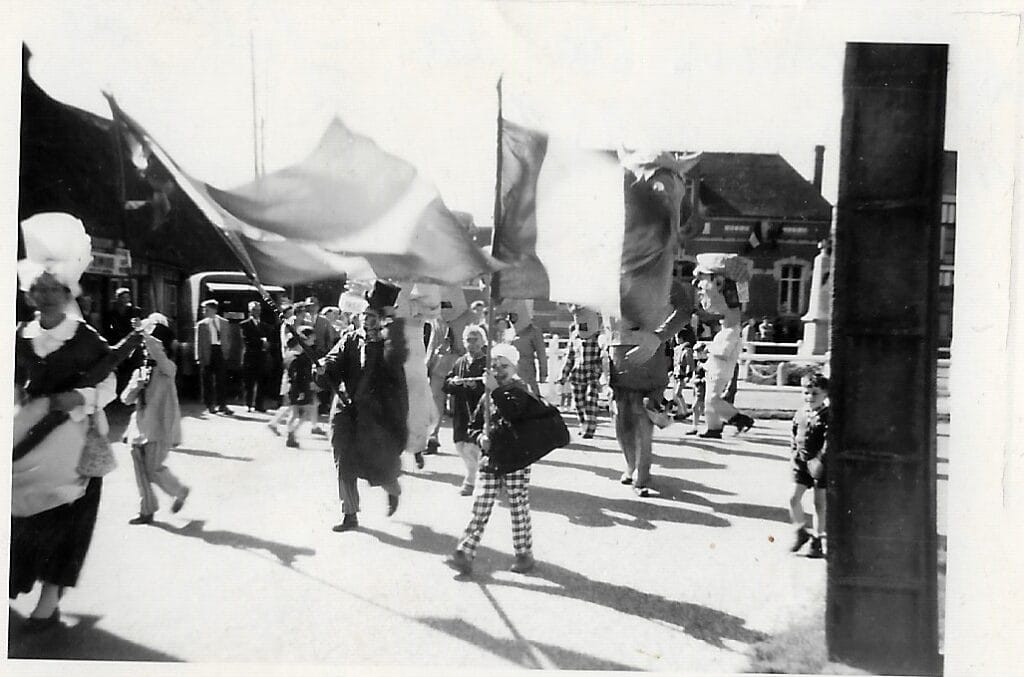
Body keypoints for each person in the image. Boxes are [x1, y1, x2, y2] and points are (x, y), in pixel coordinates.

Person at [11, 213, 137, 632]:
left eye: (55, 288)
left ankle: (49, 600)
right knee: (16, 518)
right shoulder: (18, 335)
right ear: (30, 293)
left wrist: (80, 396)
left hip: (75, 444)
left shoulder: (87, 340)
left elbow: (110, 386)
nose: (47, 295)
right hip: (22, 441)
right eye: (39, 288)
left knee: (64, 521)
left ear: (68, 292)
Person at [319, 281, 408, 532]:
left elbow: (398, 374)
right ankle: (349, 513)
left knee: (377, 462)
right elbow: (333, 361)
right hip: (345, 408)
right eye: (364, 316)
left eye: (372, 317)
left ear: (382, 320)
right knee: (343, 458)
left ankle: (391, 485)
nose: (366, 321)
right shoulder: (350, 339)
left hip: (375, 414)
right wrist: (324, 367)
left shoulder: (391, 346)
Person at [445, 343, 537, 576]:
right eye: (494, 365)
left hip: (516, 457)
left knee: (517, 506)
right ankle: (465, 552)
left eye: (504, 365)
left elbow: (515, 415)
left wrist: (495, 390)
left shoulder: (521, 390)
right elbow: (474, 425)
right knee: (481, 504)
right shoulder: (488, 394)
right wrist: (479, 438)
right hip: (491, 458)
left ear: (514, 367)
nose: (498, 369)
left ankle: (524, 553)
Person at [120, 313, 190, 524]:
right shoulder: (140, 371)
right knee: (140, 472)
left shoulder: (167, 368)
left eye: (147, 346)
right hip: (138, 427)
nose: (145, 351)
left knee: (153, 469)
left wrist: (143, 332)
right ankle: (147, 509)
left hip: (158, 427)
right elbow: (125, 399)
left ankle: (179, 491)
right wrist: (136, 386)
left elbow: (157, 351)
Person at [693, 257, 755, 438]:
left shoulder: (731, 332)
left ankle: (739, 419)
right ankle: (713, 427)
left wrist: (708, 350)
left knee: (713, 399)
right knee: (708, 401)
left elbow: (723, 352)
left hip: (720, 372)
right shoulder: (727, 330)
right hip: (715, 370)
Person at [788, 372, 830, 558]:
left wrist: (819, 461)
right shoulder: (801, 412)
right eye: (806, 392)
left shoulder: (827, 416)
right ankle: (800, 531)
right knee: (793, 498)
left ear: (825, 395)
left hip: (820, 464)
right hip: (801, 461)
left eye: (815, 393)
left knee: (819, 503)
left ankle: (817, 539)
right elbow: (794, 433)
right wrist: (793, 453)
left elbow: (829, 443)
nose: (810, 397)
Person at [443, 325, 488, 495]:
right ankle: (475, 475)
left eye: (475, 340)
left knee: (474, 446)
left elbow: (493, 386)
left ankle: (471, 480)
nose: (471, 344)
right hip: (461, 410)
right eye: (468, 340)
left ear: (482, 341)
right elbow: (446, 385)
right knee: (461, 446)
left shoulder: (487, 362)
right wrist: (454, 382)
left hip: (479, 410)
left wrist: (477, 385)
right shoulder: (460, 362)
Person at [558, 306, 603, 439]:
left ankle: (590, 428)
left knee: (591, 400)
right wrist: (563, 375)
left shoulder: (599, 338)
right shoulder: (575, 337)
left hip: (592, 373)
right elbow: (570, 357)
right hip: (577, 373)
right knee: (579, 402)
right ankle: (583, 424)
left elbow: (604, 357)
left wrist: (603, 374)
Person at [194, 299, 234, 416]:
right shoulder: (201, 324)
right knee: (208, 380)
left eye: (206, 309)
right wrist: (198, 357)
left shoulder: (224, 322)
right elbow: (198, 341)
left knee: (221, 379)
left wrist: (227, 350)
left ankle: (222, 404)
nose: (204, 311)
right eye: (203, 309)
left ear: (213, 310)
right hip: (208, 351)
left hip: (220, 351)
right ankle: (210, 404)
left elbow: (228, 337)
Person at [104, 286, 145, 394]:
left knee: (134, 368)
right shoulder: (111, 314)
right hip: (117, 343)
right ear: (117, 299)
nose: (125, 300)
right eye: (123, 298)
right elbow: (107, 330)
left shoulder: (135, 312)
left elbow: (139, 326)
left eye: (127, 297)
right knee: (118, 369)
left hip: (132, 343)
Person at [425, 324, 458, 454]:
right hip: (439, 366)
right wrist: (428, 363)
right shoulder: (438, 320)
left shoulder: (468, 316)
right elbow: (433, 343)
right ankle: (432, 437)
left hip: (459, 364)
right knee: (435, 400)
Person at [284, 326, 317, 449]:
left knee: (294, 413)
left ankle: (291, 433)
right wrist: (302, 391)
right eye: (312, 339)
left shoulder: (290, 354)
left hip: (292, 387)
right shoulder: (301, 357)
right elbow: (299, 376)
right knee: (303, 414)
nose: (313, 341)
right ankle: (291, 433)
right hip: (300, 388)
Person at [239, 300, 273, 412]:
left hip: (262, 357)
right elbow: (247, 340)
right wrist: (261, 342)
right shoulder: (244, 324)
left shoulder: (265, 325)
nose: (256, 312)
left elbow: (270, 339)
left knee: (261, 381)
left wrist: (267, 344)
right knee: (249, 382)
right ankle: (248, 403)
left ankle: (259, 405)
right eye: (254, 310)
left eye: (258, 310)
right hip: (250, 356)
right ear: (249, 311)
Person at [510, 305, 548, 398]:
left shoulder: (534, 331)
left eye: (515, 315)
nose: (513, 318)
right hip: (510, 370)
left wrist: (543, 373)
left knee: (530, 397)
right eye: (511, 315)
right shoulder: (507, 330)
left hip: (527, 370)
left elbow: (541, 354)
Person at [684, 342, 709, 435]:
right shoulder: (698, 362)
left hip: (703, 387)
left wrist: (701, 380)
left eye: (699, 351)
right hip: (697, 387)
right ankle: (695, 426)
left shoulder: (707, 363)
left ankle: (701, 426)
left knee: (697, 407)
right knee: (698, 408)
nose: (697, 354)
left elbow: (709, 376)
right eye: (697, 352)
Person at [670, 333, 694, 420]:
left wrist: (689, 374)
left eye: (677, 337)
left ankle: (685, 411)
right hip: (677, 373)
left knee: (678, 393)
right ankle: (682, 411)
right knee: (677, 394)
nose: (676, 339)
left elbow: (689, 363)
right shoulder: (677, 349)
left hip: (682, 374)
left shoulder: (687, 350)